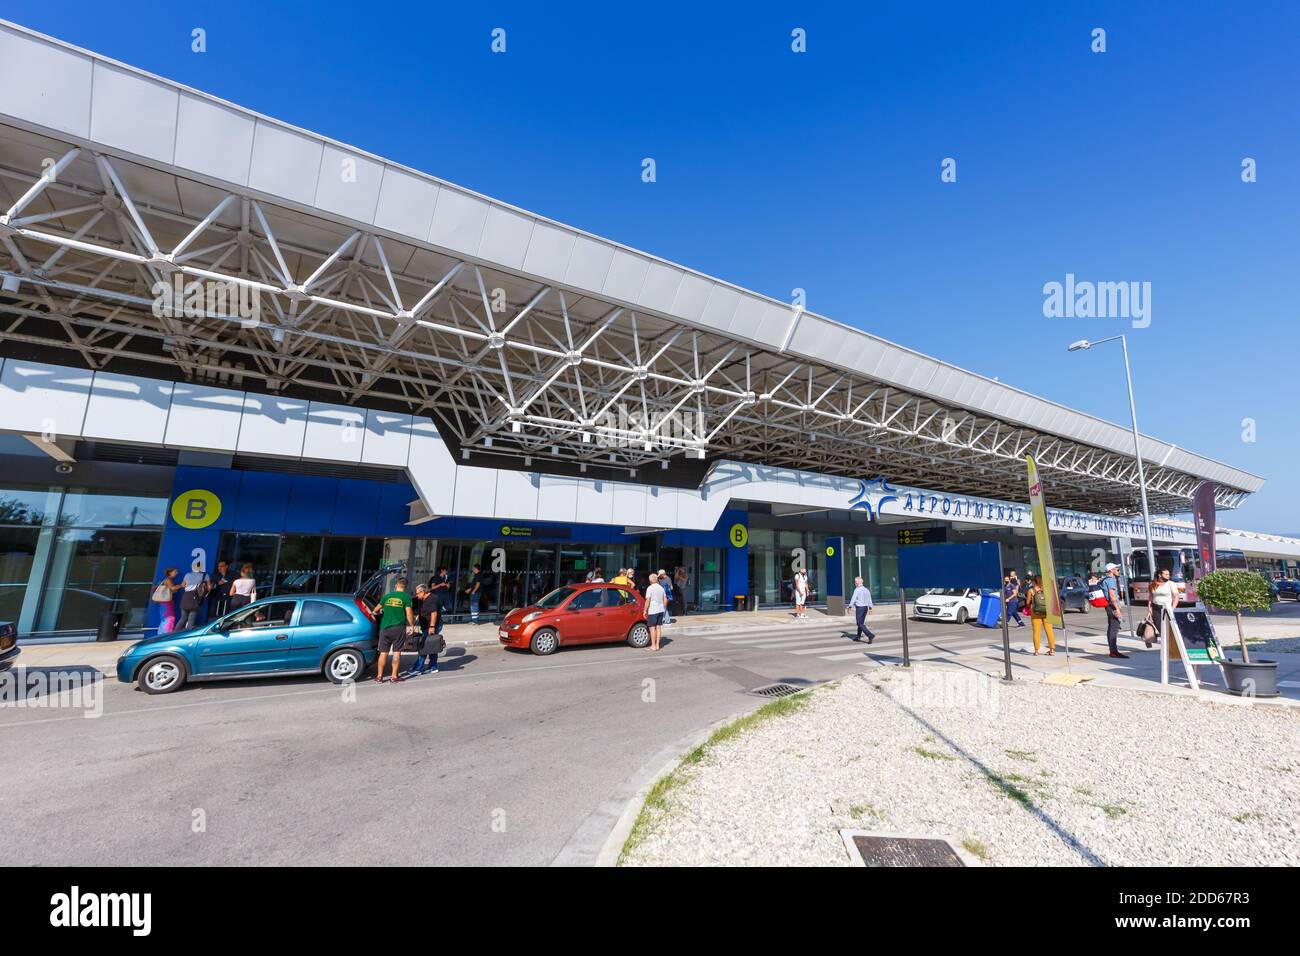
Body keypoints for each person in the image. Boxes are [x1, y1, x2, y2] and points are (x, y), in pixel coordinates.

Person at [373, 576, 415, 683]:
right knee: (397, 652)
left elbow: (376, 610)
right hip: (399, 628)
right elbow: (409, 613)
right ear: (405, 587)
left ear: (396, 585)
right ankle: (393, 677)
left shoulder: (387, 596)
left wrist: (378, 614)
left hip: (385, 628)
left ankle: (379, 677)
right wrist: (411, 626)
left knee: (383, 652)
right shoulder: (406, 597)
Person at [407, 584, 440, 676]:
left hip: (431, 627)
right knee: (432, 646)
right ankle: (433, 667)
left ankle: (418, 668)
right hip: (426, 626)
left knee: (424, 647)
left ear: (423, 592)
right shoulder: (423, 599)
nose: (417, 595)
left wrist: (432, 627)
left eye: (418, 593)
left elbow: (434, 613)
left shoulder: (432, 599)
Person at [1101, 562, 1129, 659]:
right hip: (1112, 606)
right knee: (1114, 628)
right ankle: (1113, 651)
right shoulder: (1110, 580)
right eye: (1117, 569)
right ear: (1111, 570)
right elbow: (1112, 596)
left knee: (1112, 627)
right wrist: (1117, 609)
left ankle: (1113, 650)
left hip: (1108, 606)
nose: (1119, 571)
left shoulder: (1104, 579)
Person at [1147, 567, 1177, 649]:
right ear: (1160, 575)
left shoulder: (1171, 584)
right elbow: (1150, 596)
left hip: (1167, 608)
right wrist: (1149, 607)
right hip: (1155, 608)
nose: (1168, 576)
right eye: (1166, 574)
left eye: (1169, 574)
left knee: (1169, 627)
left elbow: (1176, 597)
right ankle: (1166, 645)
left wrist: (1172, 608)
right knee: (1160, 628)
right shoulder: (1152, 584)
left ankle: (1171, 644)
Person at [1025, 574, 1055, 656]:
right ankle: (1052, 650)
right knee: (1049, 631)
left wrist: (1030, 605)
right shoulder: (1046, 589)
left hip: (1035, 613)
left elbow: (1027, 603)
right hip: (1046, 613)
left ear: (1034, 581)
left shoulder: (1031, 590)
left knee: (1036, 632)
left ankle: (1036, 651)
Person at [177, 565, 210, 631]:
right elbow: (209, 587)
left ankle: (174, 633)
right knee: (191, 620)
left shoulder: (187, 575)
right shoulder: (205, 575)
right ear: (201, 569)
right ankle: (188, 635)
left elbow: (183, 585)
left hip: (186, 597)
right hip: (196, 598)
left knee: (183, 618)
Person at [152, 567, 181, 634]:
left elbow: (171, 590)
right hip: (166, 604)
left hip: (165, 604)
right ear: (170, 573)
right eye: (175, 572)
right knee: (169, 619)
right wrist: (181, 585)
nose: (177, 573)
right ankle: (164, 636)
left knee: (166, 619)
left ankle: (161, 636)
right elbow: (172, 588)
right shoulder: (168, 580)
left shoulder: (168, 580)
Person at [848, 576, 875, 643]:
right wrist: (870, 608)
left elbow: (853, 599)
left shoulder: (857, 590)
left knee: (859, 623)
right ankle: (858, 636)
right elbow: (869, 599)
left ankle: (870, 635)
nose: (854, 583)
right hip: (865, 608)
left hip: (860, 608)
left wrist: (850, 607)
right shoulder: (866, 590)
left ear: (857, 583)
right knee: (861, 623)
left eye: (855, 582)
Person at [644, 572, 667, 651]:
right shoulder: (661, 588)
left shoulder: (650, 588)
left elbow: (648, 600)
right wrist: (663, 607)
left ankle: (653, 646)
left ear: (650, 580)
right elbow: (665, 599)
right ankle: (657, 645)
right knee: (658, 627)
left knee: (652, 628)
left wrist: (645, 610)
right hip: (660, 610)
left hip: (653, 610)